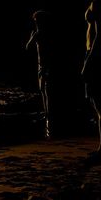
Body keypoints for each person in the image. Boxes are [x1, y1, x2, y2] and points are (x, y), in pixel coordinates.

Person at [82, 0, 101, 162]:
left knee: (100, 104)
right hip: (93, 53)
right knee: (97, 103)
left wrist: (90, 61)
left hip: (97, 56)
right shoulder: (94, 2)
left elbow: (100, 36)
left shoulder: (98, 4)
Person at [26, 10, 56, 139]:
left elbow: (28, 47)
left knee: (45, 91)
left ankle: (48, 116)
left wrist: (31, 36)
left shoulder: (39, 34)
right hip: (46, 65)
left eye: (37, 21)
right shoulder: (50, 33)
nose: (36, 23)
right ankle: (48, 114)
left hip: (44, 66)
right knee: (46, 91)